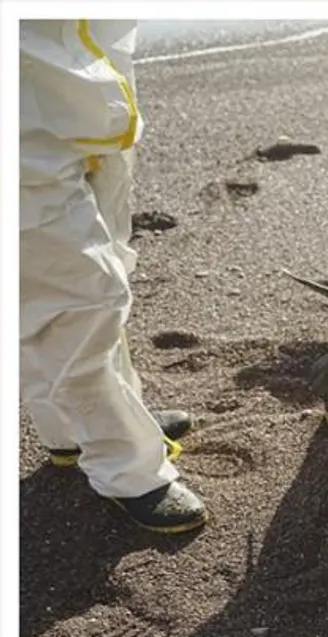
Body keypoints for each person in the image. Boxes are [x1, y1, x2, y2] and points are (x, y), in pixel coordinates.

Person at [20, 19, 208, 534]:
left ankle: (75, 428)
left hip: (95, 99)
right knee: (72, 295)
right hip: (22, 125)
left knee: (102, 265)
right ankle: (127, 467)